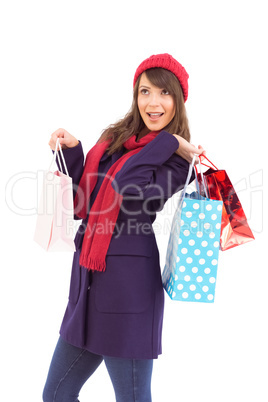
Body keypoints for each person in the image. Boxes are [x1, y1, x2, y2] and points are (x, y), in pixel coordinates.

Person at [42, 53, 205, 402]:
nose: (153, 102)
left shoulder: (178, 161)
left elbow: (128, 189)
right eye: (145, 92)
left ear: (178, 98)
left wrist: (171, 142)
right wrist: (73, 153)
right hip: (86, 288)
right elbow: (83, 202)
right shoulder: (114, 138)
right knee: (57, 393)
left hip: (128, 297)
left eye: (164, 93)